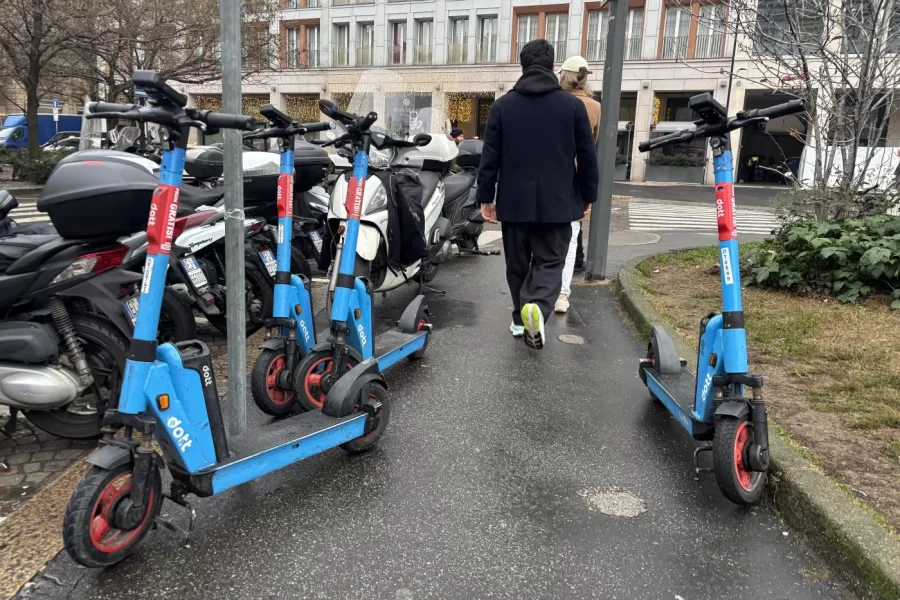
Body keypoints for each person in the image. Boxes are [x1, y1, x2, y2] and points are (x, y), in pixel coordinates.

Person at [477, 39, 599, 350]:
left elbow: (489, 157)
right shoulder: (573, 107)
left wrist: (486, 197)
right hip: (559, 201)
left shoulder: (502, 106)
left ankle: (520, 319)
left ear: (521, 66)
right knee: (550, 262)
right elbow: (587, 156)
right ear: (552, 68)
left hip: (514, 202)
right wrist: (588, 195)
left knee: (517, 264)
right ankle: (537, 307)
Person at [554, 56, 600, 314]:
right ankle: (562, 294)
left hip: (551, 175)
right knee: (570, 240)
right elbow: (590, 149)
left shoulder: (553, 102)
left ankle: (539, 288)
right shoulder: (593, 106)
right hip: (575, 179)